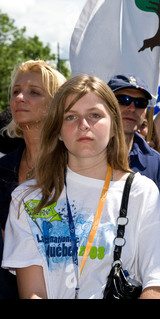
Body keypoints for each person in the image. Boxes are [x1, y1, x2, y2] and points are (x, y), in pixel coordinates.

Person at [2, 75, 160, 299]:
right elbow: (33, 292)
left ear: (114, 126)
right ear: (58, 132)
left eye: (94, 115)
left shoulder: (141, 192)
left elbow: (159, 285)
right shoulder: (27, 198)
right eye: (71, 116)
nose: (83, 125)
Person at [0, 60, 66, 299]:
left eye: (33, 92)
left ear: (55, 105)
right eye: (16, 91)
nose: (19, 98)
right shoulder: (3, 169)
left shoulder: (76, 169)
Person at [107, 74, 160, 207]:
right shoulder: (84, 151)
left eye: (141, 103)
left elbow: (158, 214)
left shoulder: (154, 161)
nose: (132, 108)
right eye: (123, 100)